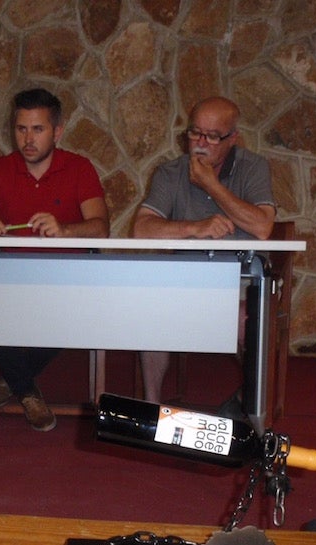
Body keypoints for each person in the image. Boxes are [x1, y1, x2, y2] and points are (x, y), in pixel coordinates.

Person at [0, 88, 109, 431]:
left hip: (65, 280)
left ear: (57, 131)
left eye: (37, 129)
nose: (27, 138)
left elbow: (101, 228)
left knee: (72, 311)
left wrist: (65, 229)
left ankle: (13, 382)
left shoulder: (79, 168)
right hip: (7, 277)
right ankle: (26, 390)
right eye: (21, 129)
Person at [131, 96, 276, 405]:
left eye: (212, 136)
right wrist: (194, 227)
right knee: (152, 312)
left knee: (243, 320)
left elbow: (263, 227)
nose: (200, 143)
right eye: (195, 133)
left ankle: (253, 405)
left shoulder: (253, 167)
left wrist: (212, 185)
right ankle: (152, 407)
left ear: (232, 138)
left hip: (241, 281)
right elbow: (142, 229)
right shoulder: (170, 172)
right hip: (185, 280)